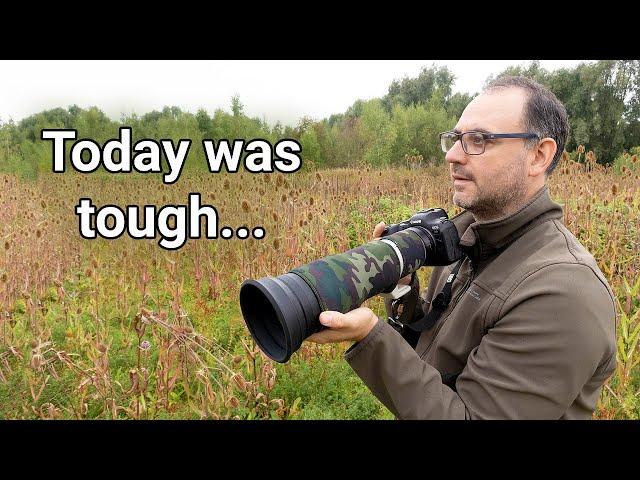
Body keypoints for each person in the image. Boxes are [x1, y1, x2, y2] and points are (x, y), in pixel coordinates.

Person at [305, 75, 617, 419]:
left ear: (538, 156)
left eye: (478, 139)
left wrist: (370, 336)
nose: (452, 155)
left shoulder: (562, 291)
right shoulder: (466, 235)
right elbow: (437, 351)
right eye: (454, 139)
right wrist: (401, 291)